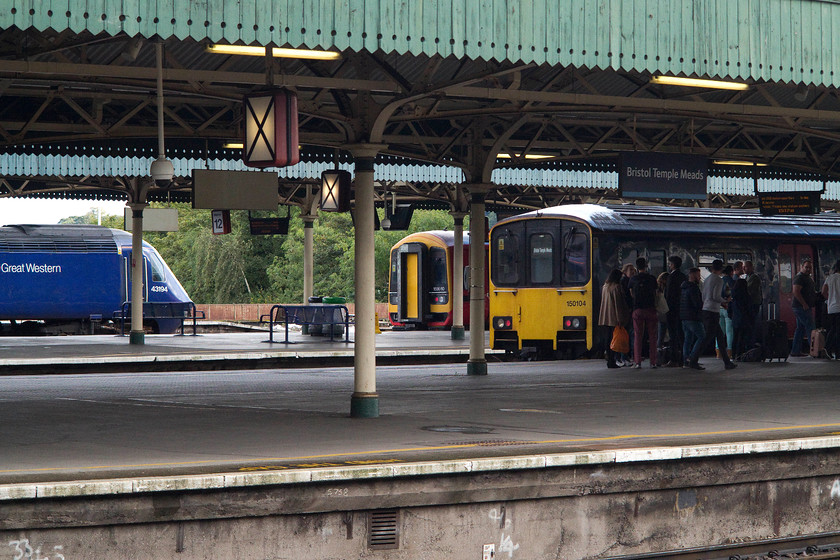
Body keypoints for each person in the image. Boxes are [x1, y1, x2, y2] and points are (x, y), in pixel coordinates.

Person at [687, 259, 737, 370]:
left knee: (719, 336)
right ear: (721, 269)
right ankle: (693, 359)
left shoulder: (707, 279)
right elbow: (715, 296)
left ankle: (727, 362)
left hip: (706, 310)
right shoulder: (719, 281)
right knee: (707, 337)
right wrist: (725, 300)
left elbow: (704, 296)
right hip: (713, 312)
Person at [628, 257, 659, 369]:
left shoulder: (633, 279)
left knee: (638, 336)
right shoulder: (652, 279)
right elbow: (656, 294)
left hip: (638, 310)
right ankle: (653, 362)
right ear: (646, 266)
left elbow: (631, 294)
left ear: (637, 267)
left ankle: (637, 362)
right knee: (652, 337)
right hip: (651, 310)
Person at [598, 269, 630, 369]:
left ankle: (609, 359)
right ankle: (612, 360)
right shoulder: (616, 287)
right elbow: (618, 304)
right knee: (614, 339)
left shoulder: (605, 286)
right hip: (614, 317)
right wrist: (620, 318)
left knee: (608, 339)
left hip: (605, 317)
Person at [791, 259, 818, 357]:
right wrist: (804, 304)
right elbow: (796, 291)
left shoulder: (807, 278)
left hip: (802, 307)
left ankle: (795, 351)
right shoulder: (799, 278)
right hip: (801, 307)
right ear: (801, 267)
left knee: (800, 329)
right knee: (810, 327)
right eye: (806, 267)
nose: (808, 269)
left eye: (810, 268)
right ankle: (815, 351)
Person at [680, 267, 705, 369]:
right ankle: (693, 359)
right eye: (698, 275)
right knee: (702, 336)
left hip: (684, 317)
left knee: (688, 339)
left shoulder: (684, 287)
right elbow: (697, 304)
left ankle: (686, 360)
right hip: (692, 317)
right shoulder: (693, 288)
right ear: (694, 275)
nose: (699, 277)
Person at [664, 255, 687, 366]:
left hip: (672, 310)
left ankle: (674, 359)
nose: (669, 265)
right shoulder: (683, 276)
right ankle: (684, 357)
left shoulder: (671, 277)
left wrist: (666, 308)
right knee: (682, 335)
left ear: (673, 265)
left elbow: (668, 295)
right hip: (682, 310)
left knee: (673, 336)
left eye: (670, 264)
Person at [618, 263, 637, 366]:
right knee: (627, 334)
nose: (633, 273)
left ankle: (626, 356)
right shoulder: (624, 282)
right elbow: (627, 297)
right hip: (627, 311)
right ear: (625, 272)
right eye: (631, 271)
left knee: (629, 334)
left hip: (629, 310)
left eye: (634, 271)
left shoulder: (628, 281)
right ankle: (624, 356)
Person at [822, 260, 840, 359]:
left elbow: (823, 291)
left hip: (831, 308)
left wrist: (829, 299)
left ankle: (827, 347)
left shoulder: (830, 278)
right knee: (838, 331)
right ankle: (838, 353)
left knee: (833, 329)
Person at [718, 264, 736, 359]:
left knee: (720, 332)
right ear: (731, 272)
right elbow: (733, 294)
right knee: (729, 331)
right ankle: (730, 351)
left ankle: (718, 352)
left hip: (719, 307)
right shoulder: (732, 282)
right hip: (728, 308)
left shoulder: (719, 281)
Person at [744, 260, 763, 346]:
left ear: (752, 267)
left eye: (746, 266)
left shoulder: (754, 278)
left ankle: (752, 343)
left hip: (753, 304)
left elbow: (749, 290)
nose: (744, 268)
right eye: (744, 267)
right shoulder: (747, 277)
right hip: (750, 304)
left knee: (752, 324)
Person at [656, 272, 670, 362]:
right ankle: (659, 358)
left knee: (661, 335)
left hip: (660, 314)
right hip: (663, 313)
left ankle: (659, 357)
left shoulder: (659, 290)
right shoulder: (660, 291)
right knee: (662, 335)